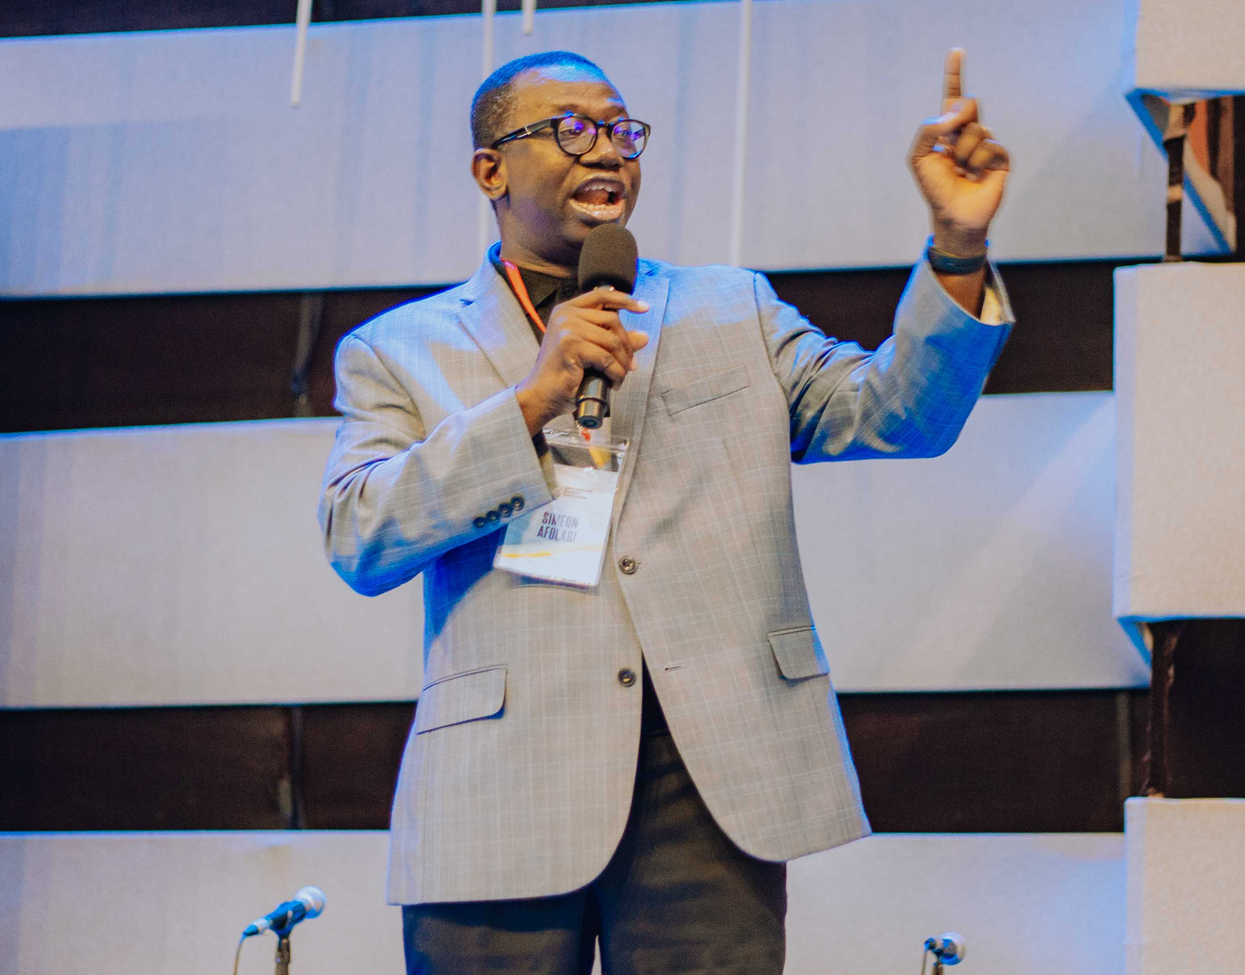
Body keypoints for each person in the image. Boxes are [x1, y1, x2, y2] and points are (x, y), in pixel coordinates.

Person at [319, 49, 1013, 974]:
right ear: (490, 170)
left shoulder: (732, 307)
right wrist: (528, 405)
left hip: (708, 772)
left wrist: (956, 249)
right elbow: (359, 534)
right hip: (499, 780)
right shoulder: (398, 349)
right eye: (571, 129)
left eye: (621, 129)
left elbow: (898, 415)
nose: (606, 149)